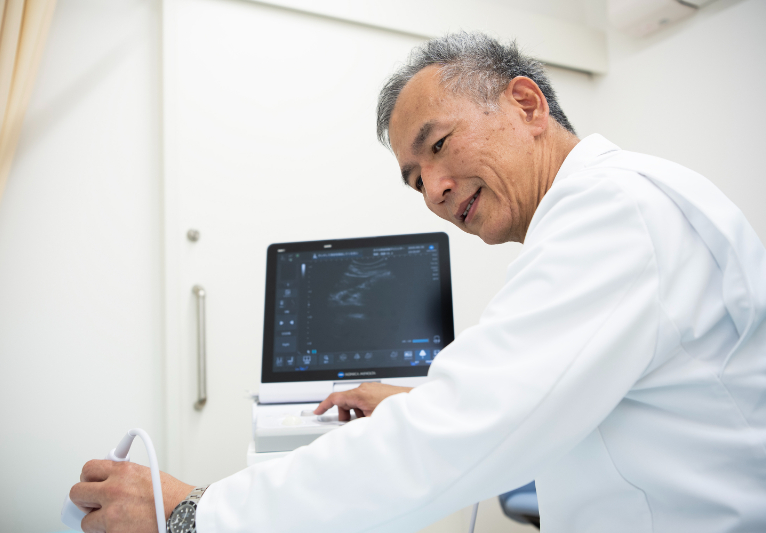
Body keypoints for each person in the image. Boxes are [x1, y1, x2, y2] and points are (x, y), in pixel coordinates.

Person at [69, 32, 766, 533]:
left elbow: (451, 436)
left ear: (526, 104)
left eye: (436, 146)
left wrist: (195, 512)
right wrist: (420, 398)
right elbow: (522, 401)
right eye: (413, 180)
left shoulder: (617, 212)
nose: (433, 190)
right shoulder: (615, 209)